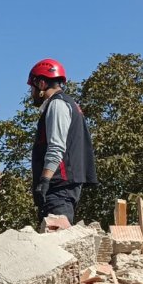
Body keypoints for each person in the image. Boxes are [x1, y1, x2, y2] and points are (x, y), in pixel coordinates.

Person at [27, 58, 97, 225]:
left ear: (41, 84)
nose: (31, 93)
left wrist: (44, 181)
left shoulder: (57, 105)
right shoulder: (69, 104)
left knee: (54, 243)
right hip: (64, 187)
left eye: (32, 87)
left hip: (58, 188)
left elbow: (56, 147)